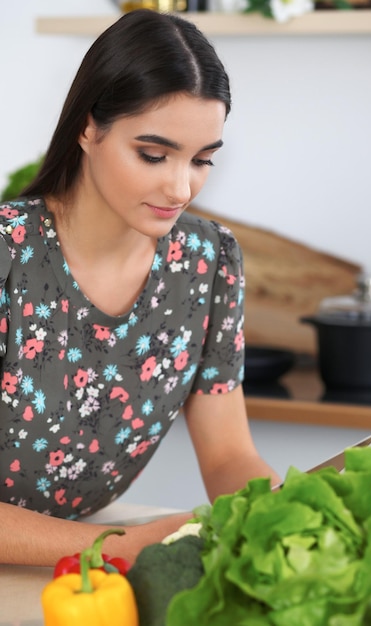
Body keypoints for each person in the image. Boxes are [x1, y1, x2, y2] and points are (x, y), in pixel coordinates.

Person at [0, 9, 280, 567]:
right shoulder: (9, 253)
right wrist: (125, 546)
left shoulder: (209, 260)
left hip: (71, 562)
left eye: (202, 160)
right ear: (87, 127)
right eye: (153, 155)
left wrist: (284, 514)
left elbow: (228, 455)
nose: (181, 187)